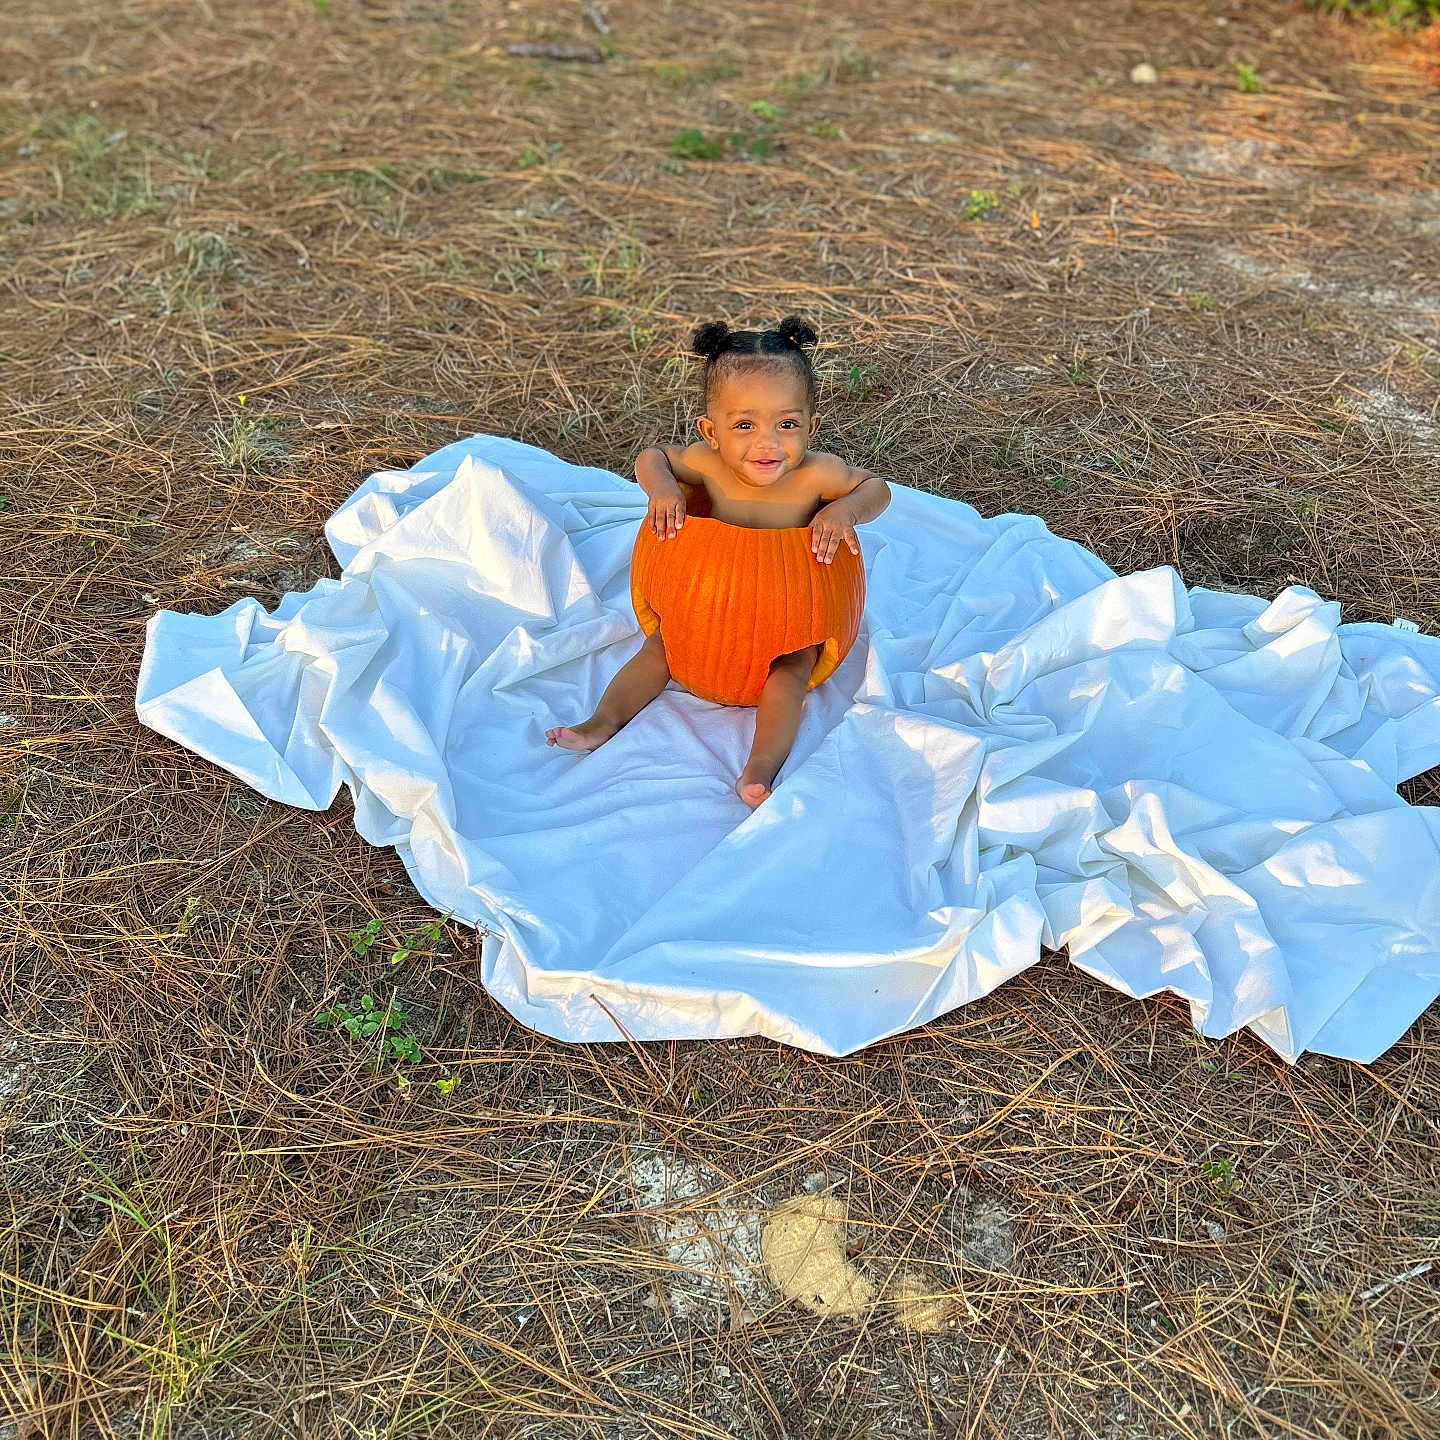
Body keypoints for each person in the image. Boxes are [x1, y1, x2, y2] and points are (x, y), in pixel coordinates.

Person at [545, 316, 891, 806]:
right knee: (659, 650)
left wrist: (844, 509)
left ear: (811, 427)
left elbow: (876, 488)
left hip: (792, 611)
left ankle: (761, 766)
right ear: (711, 431)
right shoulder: (707, 464)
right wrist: (664, 489)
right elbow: (652, 456)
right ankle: (602, 722)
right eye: (744, 425)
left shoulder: (818, 474)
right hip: (707, 612)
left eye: (786, 424)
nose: (767, 442)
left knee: (790, 675)